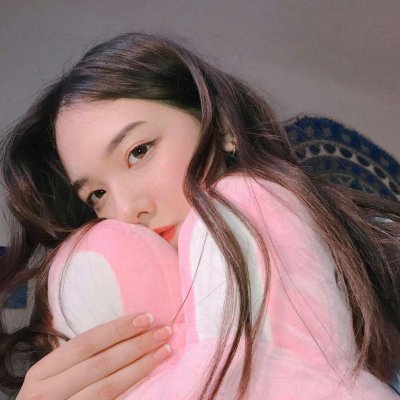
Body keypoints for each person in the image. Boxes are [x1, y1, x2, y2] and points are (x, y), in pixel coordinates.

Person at [0, 32, 399, 399]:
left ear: (222, 128)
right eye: (97, 195)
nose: (125, 211)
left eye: (139, 152)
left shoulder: (384, 260)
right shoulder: (112, 338)